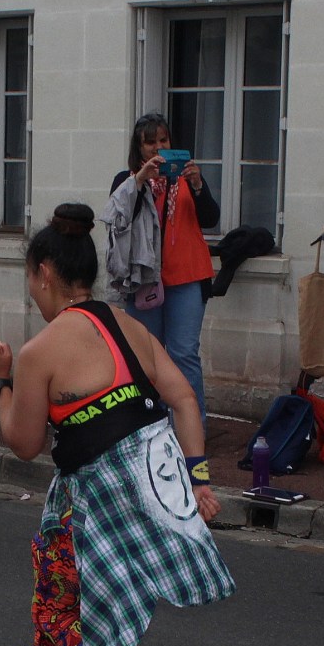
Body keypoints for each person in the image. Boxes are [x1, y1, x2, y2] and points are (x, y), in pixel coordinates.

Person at [0, 202, 235, 646]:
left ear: (45, 272)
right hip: (143, 489)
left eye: (30, 283)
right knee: (52, 576)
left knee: (57, 611)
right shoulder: (129, 325)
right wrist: (197, 480)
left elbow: (23, 445)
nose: (32, 296)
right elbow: (185, 398)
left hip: (96, 501)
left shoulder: (38, 352)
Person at [102, 112, 221, 425]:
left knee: (184, 354)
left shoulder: (185, 178)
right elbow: (116, 215)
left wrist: (197, 184)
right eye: (150, 142)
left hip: (187, 276)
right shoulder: (127, 179)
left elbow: (210, 218)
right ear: (139, 147)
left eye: (163, 140)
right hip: (144, 279)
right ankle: (150, 424)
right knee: (146, 355)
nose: (157, 148)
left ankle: (193, 426)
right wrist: (140, 178)